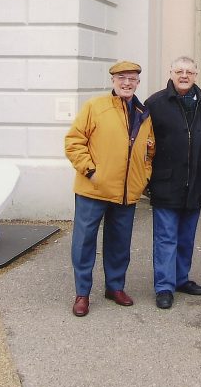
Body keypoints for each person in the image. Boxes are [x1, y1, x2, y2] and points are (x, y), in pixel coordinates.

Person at [64, 60, 155, 318]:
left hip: (127, 192)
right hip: (93, 189)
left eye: (132, 79)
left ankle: (115, 287)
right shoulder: (96, 107)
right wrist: (91, 171)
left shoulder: (143, 112)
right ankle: (82, 293)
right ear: (113, 81)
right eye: (122, 78)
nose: (127, 83)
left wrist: (143, 177)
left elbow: (149, 149)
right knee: (84, 242)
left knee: (119, 242)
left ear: (138, 82)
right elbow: (74, 142)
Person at [145, 56, 201, 310]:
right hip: (165, 182)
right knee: (166, 237)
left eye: (189, 72)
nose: (184, 76)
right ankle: (164, 286)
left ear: (196, 74)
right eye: (179, 71)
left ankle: (181, 279)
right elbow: (144, 144)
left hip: (196, 183)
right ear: (170, 72)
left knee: (186, 237)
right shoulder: (155, 104)